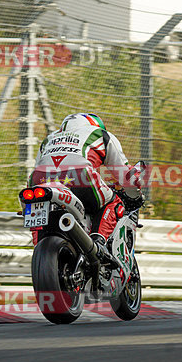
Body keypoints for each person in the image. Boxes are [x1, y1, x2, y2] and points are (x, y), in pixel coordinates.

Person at [29, 112, 143, 263]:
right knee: (112, 201)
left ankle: (39, 249)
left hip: (38, 179)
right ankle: (98, 245)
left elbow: (38, 165)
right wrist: (134, 196)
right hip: (79, 176)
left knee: (38, 205)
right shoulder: (100, 134)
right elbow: (125, 175)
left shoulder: (49, 139)